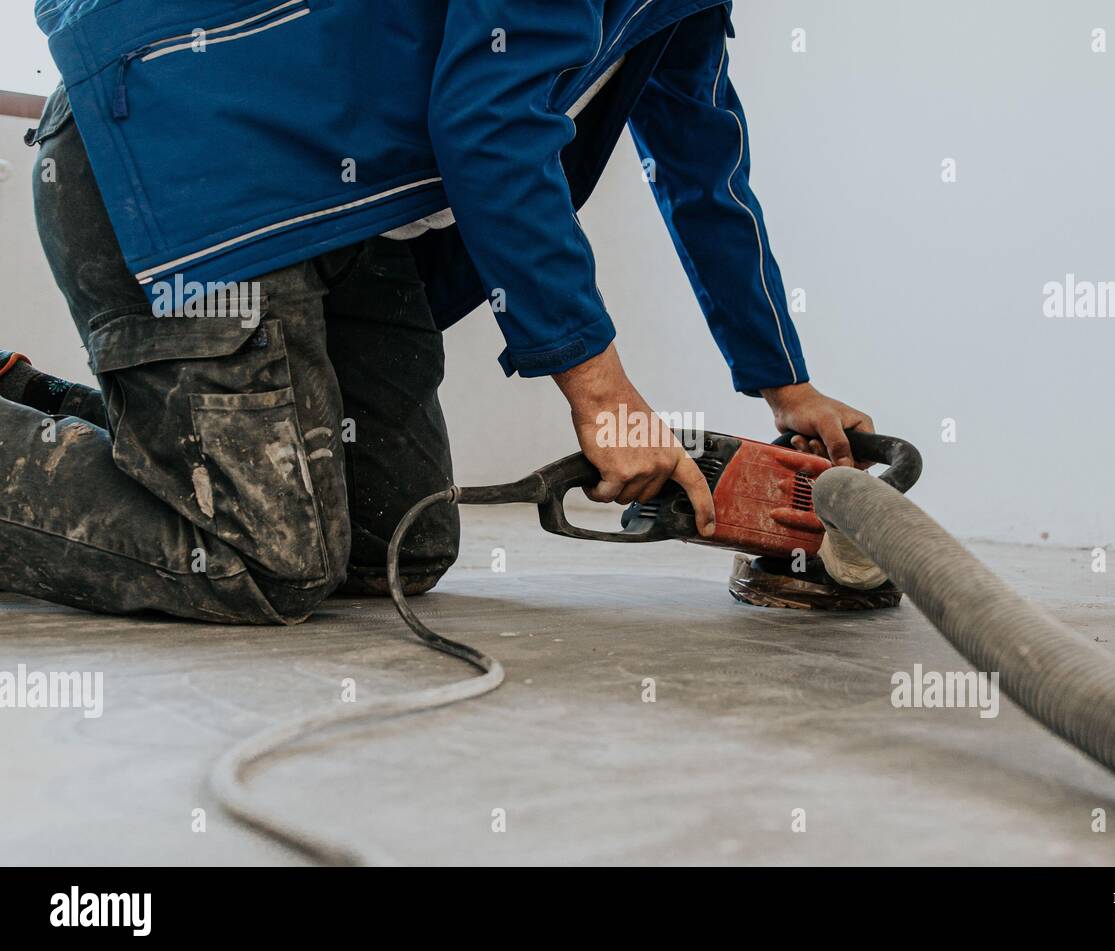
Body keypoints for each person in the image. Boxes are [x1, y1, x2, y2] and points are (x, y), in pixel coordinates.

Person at [0, 0, 872, 624]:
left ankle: (28, 400)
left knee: (397, 547)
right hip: (187, 163)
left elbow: (702, 168)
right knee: (264, 560)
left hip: (344, 210)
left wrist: (784, 385)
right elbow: (488, 122)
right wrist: (603, 397)